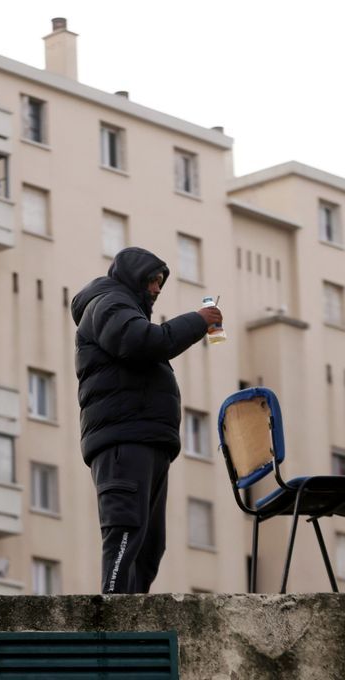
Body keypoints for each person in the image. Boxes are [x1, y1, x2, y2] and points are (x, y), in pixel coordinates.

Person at [70, 247, 223, 594]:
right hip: (125, 442)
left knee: (150, 546)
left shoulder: (123, 309)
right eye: (152, 280)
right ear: (133, 276)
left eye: (160, 283)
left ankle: (133, 625)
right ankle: (113, 624)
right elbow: (143, 342)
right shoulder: (108, 304)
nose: (156, 289)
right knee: (125, 532)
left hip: (145, 439)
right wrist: (200, 320)